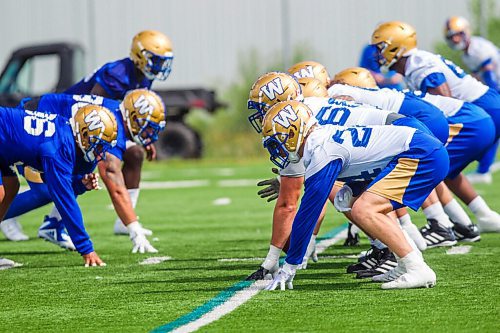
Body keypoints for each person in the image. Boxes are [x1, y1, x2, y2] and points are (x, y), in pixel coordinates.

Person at [246, 72, 430, 280]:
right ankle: (401, 246)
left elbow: (296, 202)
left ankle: (395, 249)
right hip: (404, 129)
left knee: (359, 201)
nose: (262, 115)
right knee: (351, 194)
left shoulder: (295, 123)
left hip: (402, 138)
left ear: (280, 102)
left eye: (263, 108)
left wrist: (277, 260)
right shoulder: (307, 108)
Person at [1, 30, 173, 241]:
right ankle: (9, 211)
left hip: (76, 128)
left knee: (132, 155)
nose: (158, 66)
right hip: (52, 123)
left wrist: (142, 136)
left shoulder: (143, 78)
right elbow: (92, 115)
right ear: (140, 55)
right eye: (155, 60)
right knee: (47, 189)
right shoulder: (118, 75)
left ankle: (57, 223)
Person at [262, 100, 448, 290]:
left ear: (293, 133)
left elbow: (308, 212)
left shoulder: (320, 150)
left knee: (364, 209)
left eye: (278, 141)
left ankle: (417, 268)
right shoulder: (322, 139)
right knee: (363, 204)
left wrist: (290, 266)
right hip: (419, 150)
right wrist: (354, 188)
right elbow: (371, 160)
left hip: (421, 153)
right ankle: (405, 262)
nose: (278, 149)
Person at [370, 21, 500, 234]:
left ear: (397, 46)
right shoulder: (415, 62)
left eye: (381, 47)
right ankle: (481, 217)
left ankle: (443, 225)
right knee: (443, 167)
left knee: (427, 162)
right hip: (484, 109)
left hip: (482, 111)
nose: (377, 53)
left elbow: (445, 104)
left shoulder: (418, 65)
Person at [2, 90, 166, 253]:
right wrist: (134, 229)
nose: (150, 134)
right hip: (34, 124)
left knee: (79, 174)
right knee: (46, 190)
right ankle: (6, 216)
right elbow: (113, 181)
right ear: (133, 118)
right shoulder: (111, 123)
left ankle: (54, 224)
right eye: (148, 127)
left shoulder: (114, 115)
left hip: (57, 135)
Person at [0, 104, 118, 266]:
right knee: (1, 192)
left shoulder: (67, 136)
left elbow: (56, 183)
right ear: (82, 134)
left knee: (10, 187)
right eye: (97, 145)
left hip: (4, 146)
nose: (100, 152)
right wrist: (86, 248)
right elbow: (63, 198)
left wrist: (80, 185)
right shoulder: (60, 147)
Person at [444, 16, 500, 184]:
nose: (455, 39)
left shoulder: (478, 49)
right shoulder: (467, 54)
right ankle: (484, 170)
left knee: (494, 130)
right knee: (494, 131)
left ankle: (483, 171)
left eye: (458, 34)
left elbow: (489, 76)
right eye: (451, 36)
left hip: (496, 89)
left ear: (465, 32)